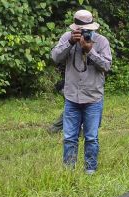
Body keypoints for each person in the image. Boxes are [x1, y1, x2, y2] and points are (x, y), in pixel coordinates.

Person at [51, 10, 111, 174]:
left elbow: (107, 65)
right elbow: (55, 57)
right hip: (72, 97)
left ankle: (90, 170)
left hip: (93, 98)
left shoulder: (101, 41)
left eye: (88, 30)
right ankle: (69, 171)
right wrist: (70, 42)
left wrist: (90, 51)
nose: (85, 33)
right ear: (75, 28)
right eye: (82, 30)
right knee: (69, 138)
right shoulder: (67, 38)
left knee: (91, 138)